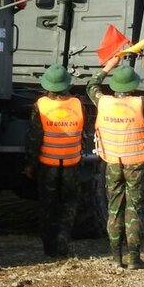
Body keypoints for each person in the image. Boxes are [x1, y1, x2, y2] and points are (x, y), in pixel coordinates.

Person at [87, 54, 144, 270]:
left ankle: (115, 257)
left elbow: (91, 85)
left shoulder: (103, 102)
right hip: (136, 165)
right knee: (134, 210)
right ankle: (134, 259)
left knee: (114, 209)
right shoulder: (140, 104)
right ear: (133, 86)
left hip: (113, 162)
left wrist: (109, 65)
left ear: (115, 85)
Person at [25, 64, 84, 257]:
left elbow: (35, 139)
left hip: (47, 165)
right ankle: (63, 243)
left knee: (47, 206)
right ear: (67, 85)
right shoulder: (77, 104)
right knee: (69, 205)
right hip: (71, 165)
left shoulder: (41, 105)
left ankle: (49, 249)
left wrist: (30, 165)